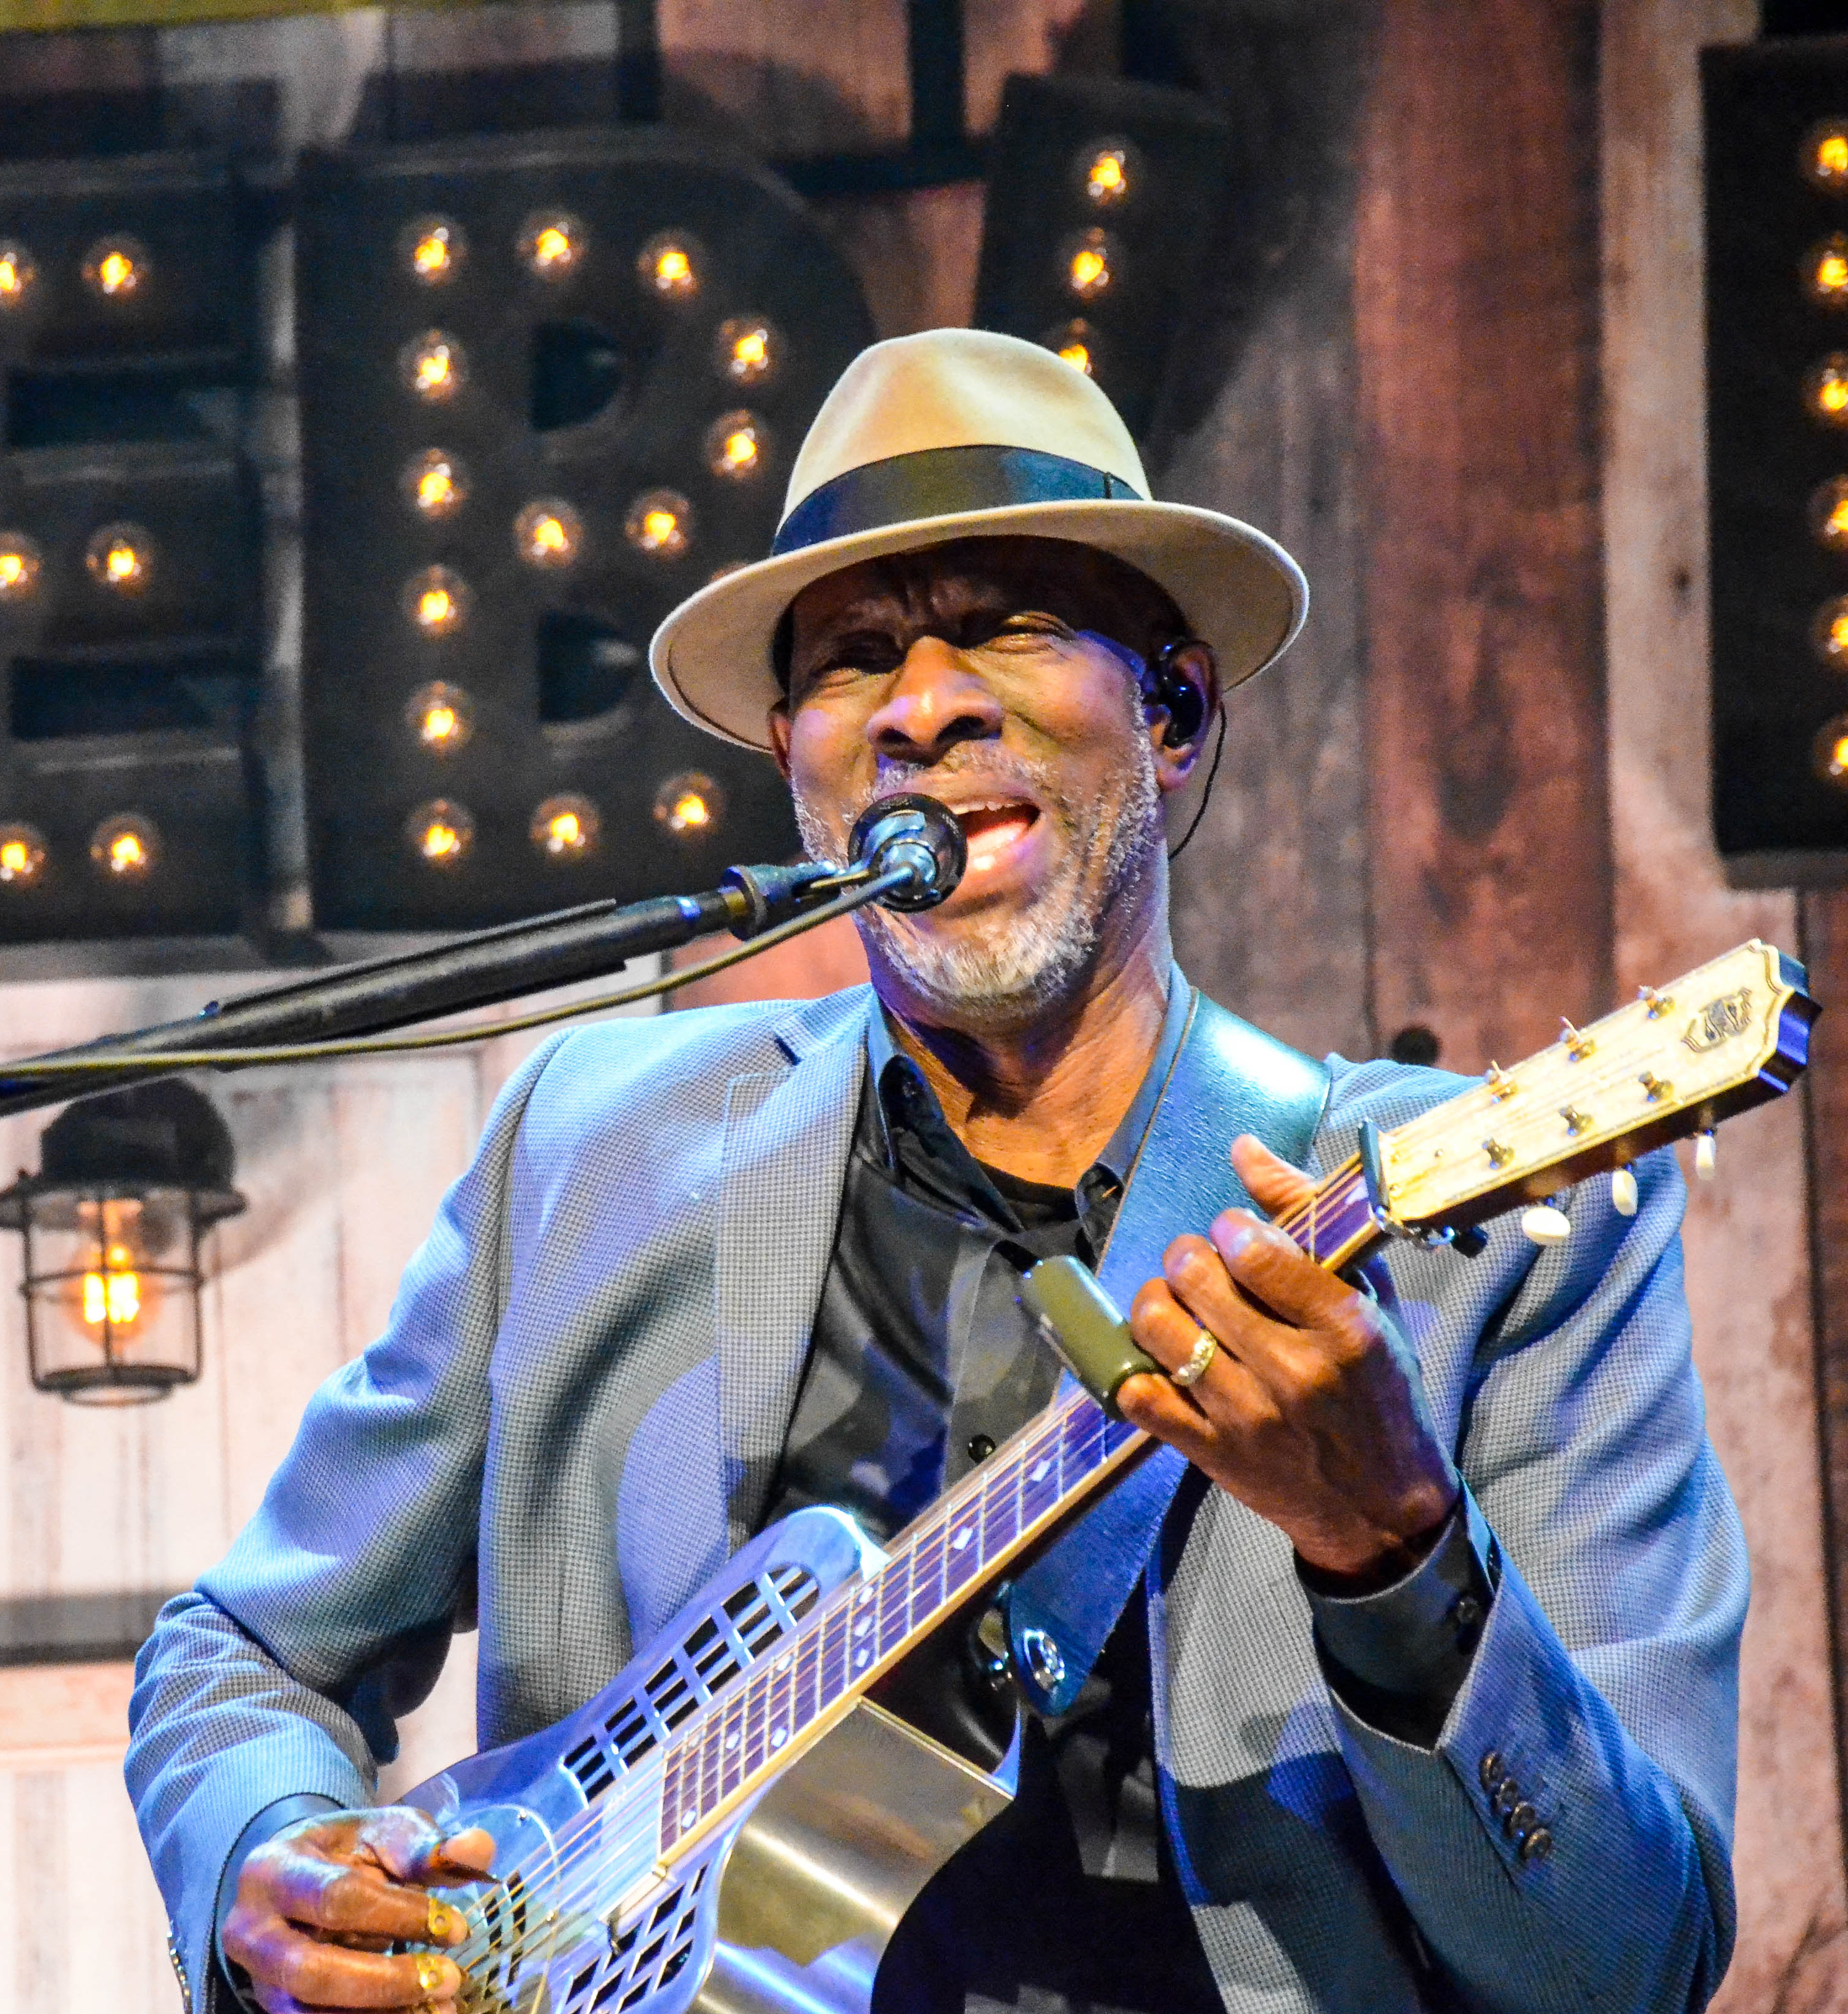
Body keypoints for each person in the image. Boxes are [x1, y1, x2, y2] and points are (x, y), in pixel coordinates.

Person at [125, 329, 1742, 2013]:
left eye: (1008, 625)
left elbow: (1629, 1968)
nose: (924, 705)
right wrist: (272, 1864)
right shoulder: (593, 1148)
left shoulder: (1489, 1245)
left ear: (1175, 713)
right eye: (853, 659)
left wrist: (1393, 1550)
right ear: (794, 768)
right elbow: (240, 1654)